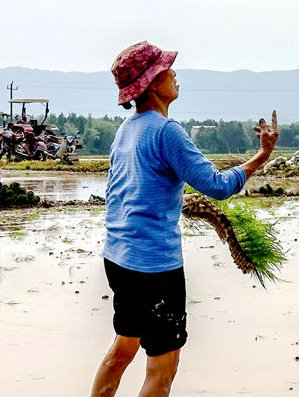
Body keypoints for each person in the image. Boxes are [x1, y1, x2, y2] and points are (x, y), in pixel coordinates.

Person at [90, 41, 279, 397]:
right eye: (166, 70)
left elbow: (122, 193)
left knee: (123, 347)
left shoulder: (126, 131)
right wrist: (262, 155)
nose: (174, 73)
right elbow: (217, 186)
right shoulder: (166, 131)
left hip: (118, 258)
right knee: (162, 368)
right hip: (154, 267)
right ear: (151, 83)